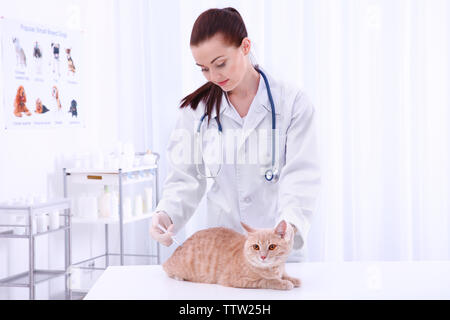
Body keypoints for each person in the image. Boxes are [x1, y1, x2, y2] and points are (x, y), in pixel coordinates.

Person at [150, 7, 321, 261]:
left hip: (276, 251)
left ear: (245, 46)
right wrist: (165, 214)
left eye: (220, 64)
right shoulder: (196, 112)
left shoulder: (292, 103)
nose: (214, 77)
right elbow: (185, 178)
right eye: (204, 69)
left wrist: (291, 225)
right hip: (224, 253)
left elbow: (300, 176)